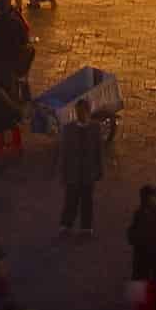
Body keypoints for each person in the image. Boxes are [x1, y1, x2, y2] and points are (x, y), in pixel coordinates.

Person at [59, 96, 104, 235]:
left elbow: (99, 150)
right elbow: (64, 153)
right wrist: (63, 173)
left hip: (88, 172)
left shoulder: (96, 128)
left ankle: (86, 227)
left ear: (88, 112)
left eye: (84, 111)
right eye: (79, 112)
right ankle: (66, 224)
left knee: (87, 200)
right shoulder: (68, 129)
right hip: (73, 172)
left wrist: (100, 170)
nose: (81, 115)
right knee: (70, 200)